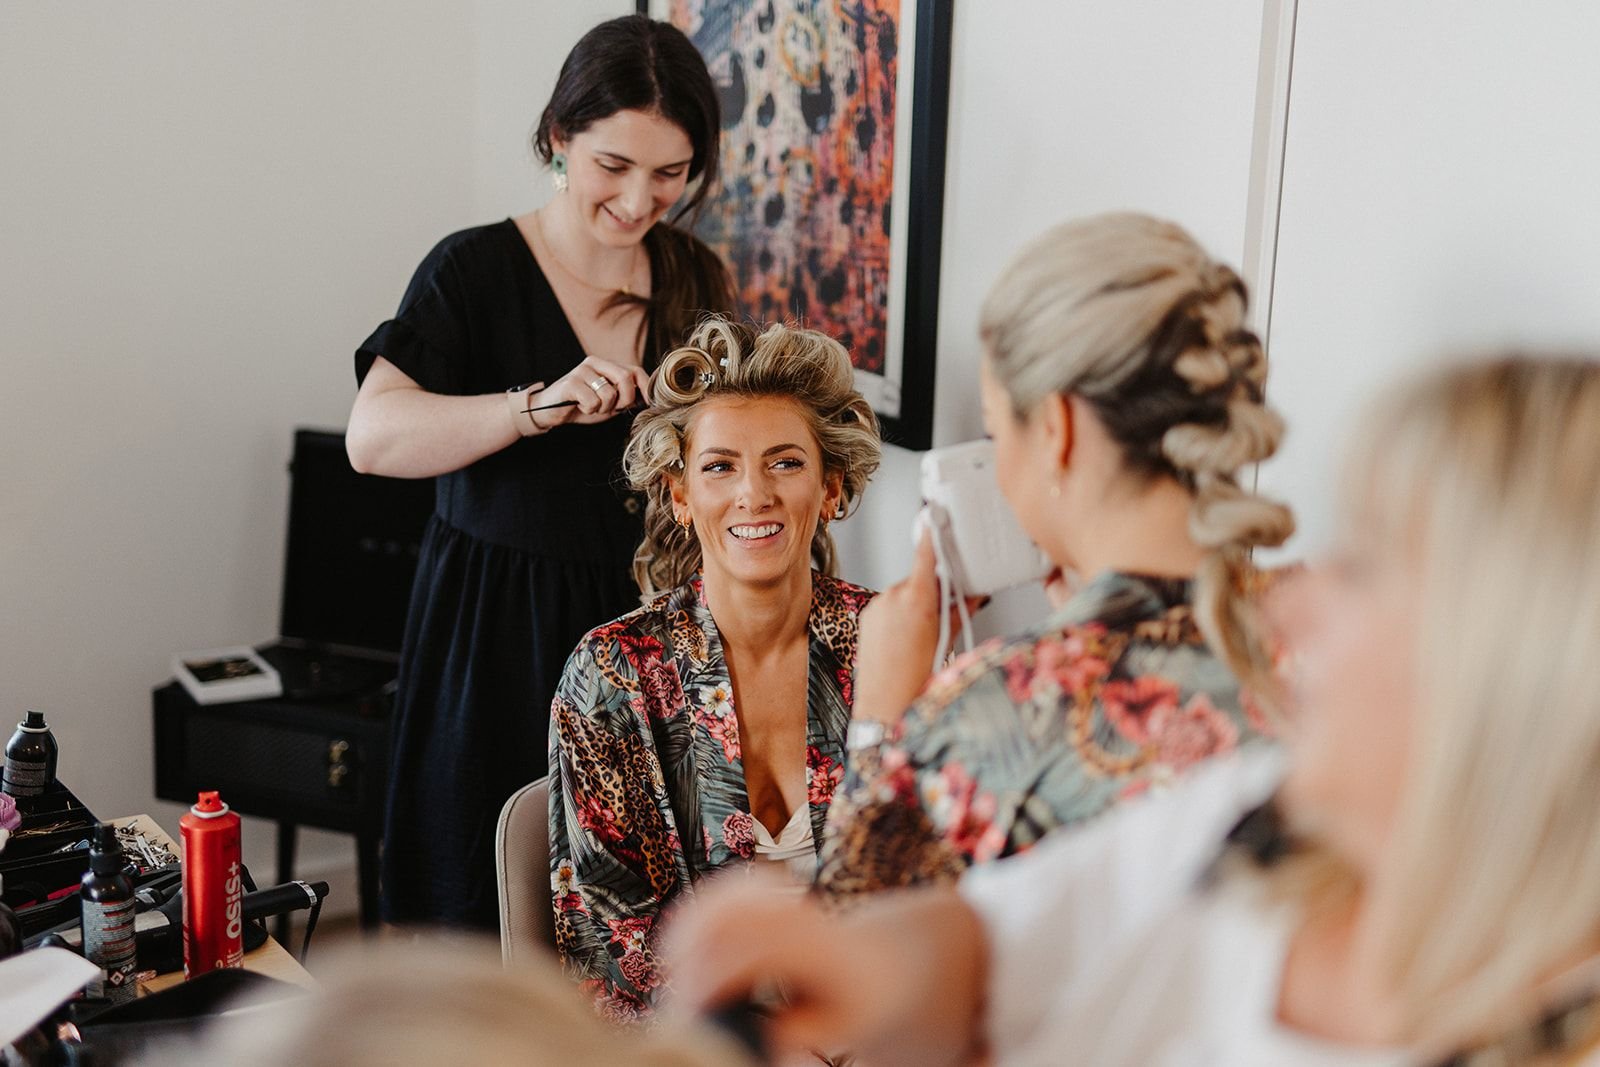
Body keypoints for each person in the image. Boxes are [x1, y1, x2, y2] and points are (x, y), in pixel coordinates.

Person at [666, 355, 1600, 1066]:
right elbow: (998, 940)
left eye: (1357, 570)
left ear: (1508, 661)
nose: (1287, 603)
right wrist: (867, 968)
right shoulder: (1251, 818)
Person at [345, 15, 734, 929]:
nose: (641, 201)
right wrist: (533, 406)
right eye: (614, 166)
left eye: (670, 173)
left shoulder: (693, 278)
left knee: (625, 918)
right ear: (558, 138)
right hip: (494, 634)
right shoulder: (471, 270)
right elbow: (374, 436)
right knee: (479, 906)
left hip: (639, 633)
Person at [816, 212, 1294, 896]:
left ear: (1055, 428)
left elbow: (843, 970)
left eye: (993, 429)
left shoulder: (996, 710)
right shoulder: (1325, 644)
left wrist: (878, 726)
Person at [546, 319, 881, 1020]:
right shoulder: (612, 675)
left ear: (830, 487)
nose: (753, 493)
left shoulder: (888, 644)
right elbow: (614, 947)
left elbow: (950, 884)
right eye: (720, 465)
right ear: (678, 494)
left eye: (786, 462)